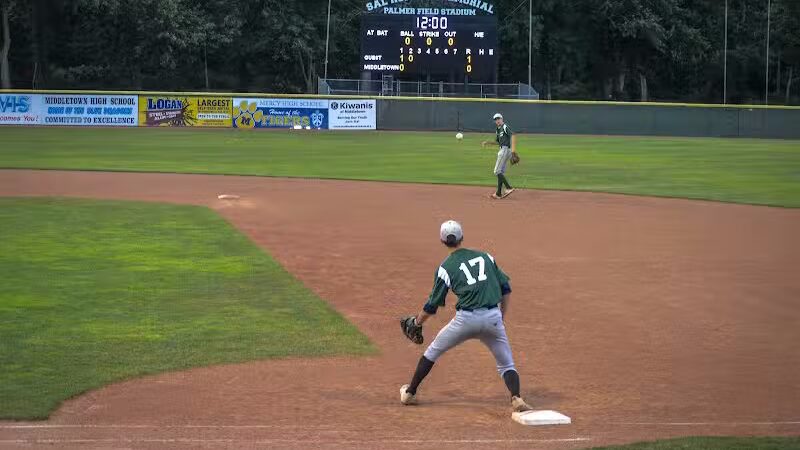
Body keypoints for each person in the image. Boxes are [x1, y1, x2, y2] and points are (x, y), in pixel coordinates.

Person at [399, 220, 532, 413]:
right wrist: (499, 317)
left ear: (442, 240)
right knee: (506, 364)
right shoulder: (486, 257)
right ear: (462, 237)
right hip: (493, 317)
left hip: (465, 320)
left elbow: (432, 304)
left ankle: (410, 393)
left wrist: (417, 322)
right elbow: (506, 288)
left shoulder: (445, 267)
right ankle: (516, 397)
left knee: (432, 352)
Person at [481, 113, 518, 199]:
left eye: (498, 119)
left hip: (505, 150)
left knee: (496, 171)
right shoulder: (498, 130)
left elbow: (513, 135)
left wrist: (513, 151)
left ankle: (508, 188)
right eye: (495, 119)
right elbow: (498, 142)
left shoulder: (505, 126)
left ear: (502, 119)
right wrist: (488, 142)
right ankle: (498, 193)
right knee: (500, 171)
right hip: (503, 149)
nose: (497, 120)